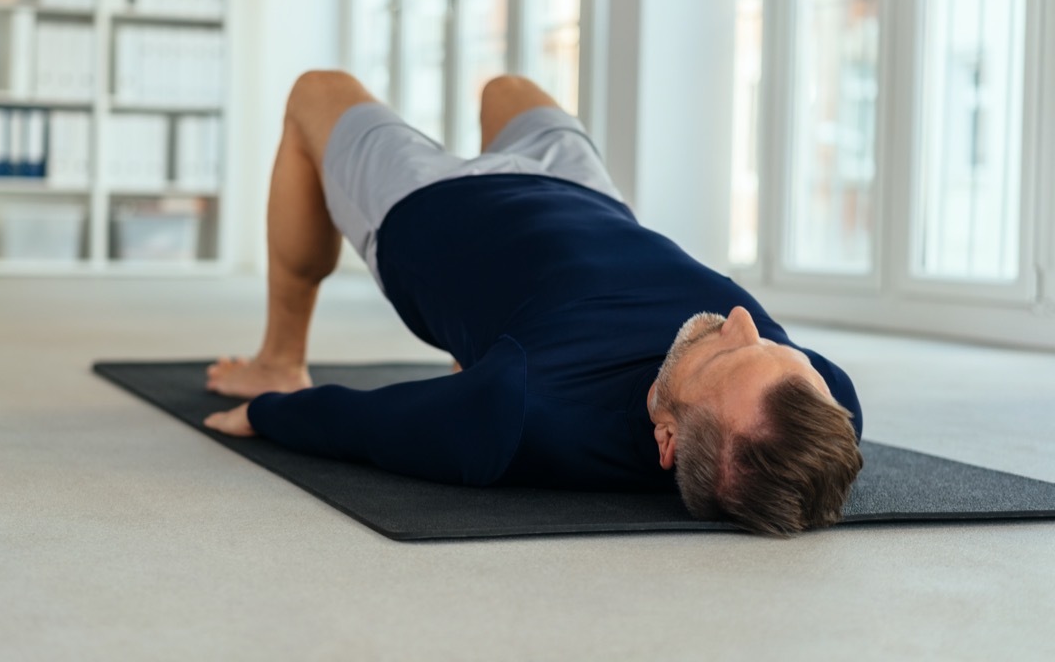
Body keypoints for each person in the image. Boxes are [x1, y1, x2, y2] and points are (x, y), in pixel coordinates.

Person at [203, 70, 863, 536]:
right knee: (507, 90)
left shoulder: (523, 408)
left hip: (434, 205)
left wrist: (273, 411)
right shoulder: (821, 402)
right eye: (780, 349)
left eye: (729, 356)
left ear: (667, 439)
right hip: (587, 195)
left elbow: (377, 424)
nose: (744, 320)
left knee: (316, 91)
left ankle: (277, 357)